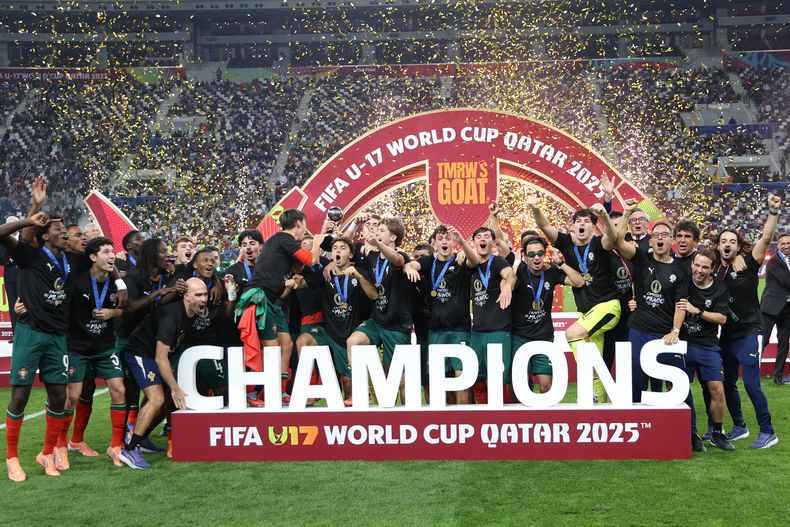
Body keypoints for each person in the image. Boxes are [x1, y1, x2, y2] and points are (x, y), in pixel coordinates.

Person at [1, 212, 77, 480]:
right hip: (31, 332)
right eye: (58, 228)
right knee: (20, 396)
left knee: (58, 396)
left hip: (57, 337)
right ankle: (12, 457)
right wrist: (29, 221)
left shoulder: (69, 261)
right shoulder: (31, 256)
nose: (65, 231)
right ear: (45, 235)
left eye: (65, 227)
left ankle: (47, 453)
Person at [528, 197, 620, 403]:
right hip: (585, 312)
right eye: (578, 221)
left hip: (607, 306)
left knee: (571, 334)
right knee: (594, 360)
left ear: (593, 227)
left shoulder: (599, 243)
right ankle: (599, 405)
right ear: (572, 226)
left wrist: (604, 215)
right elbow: (543, 225)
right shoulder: (566, 243)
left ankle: (595, 378)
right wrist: (535, 207)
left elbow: (611, 238)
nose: (582, 224)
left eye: (587, 221)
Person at [715, 195, 781, 449]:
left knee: (752, 383)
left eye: (732, 240)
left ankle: (768, 431)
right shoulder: (714, 269)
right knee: (727, 383)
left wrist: (773, 212)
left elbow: (765, 239)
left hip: (749, 332)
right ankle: (739, 426)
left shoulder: (749, 263)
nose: (728, 244)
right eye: (724, 241)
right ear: (718, 246)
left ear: (738, 245)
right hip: (726, 336)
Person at [120, 278, 209, 469]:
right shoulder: (172, 317)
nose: (204, 299)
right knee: (157, 398)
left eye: (205, 294)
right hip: (140, 354)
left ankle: (141, 439)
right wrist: (175, 388)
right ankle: (130, 448)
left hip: (153, 355)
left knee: (165, 398)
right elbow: (161, 358)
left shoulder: (191, 314)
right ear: (186, 297)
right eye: (198, 295)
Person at [62, 237, 127, 468]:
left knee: (119, 390)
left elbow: (123, 311)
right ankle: (62, 445)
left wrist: (112, 314)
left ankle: (116, 446)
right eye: (106, 252)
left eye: (113, 252)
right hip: (77, 347)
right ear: (92, 257)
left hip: (104, 346)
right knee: (72, 397)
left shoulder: (115, 284)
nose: (112, 256)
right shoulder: (77, 282)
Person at [237, 209, 314, 405]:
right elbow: (311, 259)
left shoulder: (286, 244)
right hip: (261, 297)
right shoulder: (283, 238)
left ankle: (277, 392)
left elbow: (299, 268)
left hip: (275, 301)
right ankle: (263, 392)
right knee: (271, 348)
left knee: (286, 344)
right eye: (304, 224)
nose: (305, 228)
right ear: (299, 223)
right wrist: (320, 239)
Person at [616, 199, 688, 404]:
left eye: (664, 235)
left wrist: (675, 331)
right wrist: (627, 213)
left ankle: (682, 432)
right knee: (635, 383)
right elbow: (618, 241)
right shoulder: (641, 259)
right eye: (656, 235)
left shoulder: (680, 271)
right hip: (638, 331)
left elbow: (680, 304)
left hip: (664, 335)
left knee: (669, 385)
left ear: (671, 240)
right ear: (650, 240)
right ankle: (636, 426)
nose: (660, 238)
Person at [296, 236, 378, 405]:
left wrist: (359, 277)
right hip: (330, 332)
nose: (338, 251)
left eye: (343, 248)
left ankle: (358, 404)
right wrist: (295, 281)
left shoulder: (359, 270)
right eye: (335, 248)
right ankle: (308, 389)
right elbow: (303, 283)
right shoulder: (326, 273)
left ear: (350, 255)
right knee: (303, 341)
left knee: (350, 391)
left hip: (352, 332)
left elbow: (373, 295)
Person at [404, 225, 479, 403]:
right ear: (435, 243)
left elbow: (474, 262)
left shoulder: (460, 260)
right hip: (436, 330)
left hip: (458, 328)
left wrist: (462, 242)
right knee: (440, 380)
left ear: (453, 242)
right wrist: (409, 267)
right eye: (440, 239)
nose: (444, 241)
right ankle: (449, 421)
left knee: (462, 378)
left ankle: (465, 417)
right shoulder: (429, 262)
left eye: (448, 238)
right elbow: (412, 264)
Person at [346, 217, 415, 404]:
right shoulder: (371, 257)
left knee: (399, 379)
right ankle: (362, 390)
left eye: (382, 230)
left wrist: (376, 243)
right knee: (353, 341)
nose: (377, 232)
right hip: (377, 320)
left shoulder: (402, 256)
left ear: (393, 237)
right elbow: (345, 254)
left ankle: (410, 415)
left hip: (397, 324)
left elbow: (398, 259)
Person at [676, 249, 735, 452]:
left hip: (708, 345)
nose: (699, 270)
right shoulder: (684, 281)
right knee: (681, 390)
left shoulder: (719, 288)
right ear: (692, 264)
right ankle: (690, 434)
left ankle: (717, 433)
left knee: (717, 389)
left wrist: (697, 311)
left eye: (704, 267)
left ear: (712, 269)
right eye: (697, 265)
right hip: (683, 344)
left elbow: (722, 318)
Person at [512, 237, 584, 393]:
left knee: (546, 385)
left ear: (544, 254)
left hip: (543, 337)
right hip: (519, 336)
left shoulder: (550, 272)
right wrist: (517, 262)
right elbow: (507, 287)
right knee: (519, 385)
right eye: (531, 254)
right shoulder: (518, 271)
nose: (536, 257)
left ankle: (543, 417)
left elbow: (579, 282)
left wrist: (559, 262)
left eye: (540, 253)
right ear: (525, 256)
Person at [468, 226, 515, 403]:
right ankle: (481, 418)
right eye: (478, 236)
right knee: (477, 380)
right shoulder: (470, 265)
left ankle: (503, 421)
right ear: (473, 243)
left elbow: (510, 274)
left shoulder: (498, 262)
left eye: (487, 236)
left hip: (498, 331)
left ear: (492, 243)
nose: (483, 239)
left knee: (499, 381)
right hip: (477, 332)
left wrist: (507, 288)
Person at [761, 233, 790, 385]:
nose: (786, 246)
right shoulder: (773, 261)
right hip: (771, 307)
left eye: (788, 243)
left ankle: (778, 378)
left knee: (783, 343)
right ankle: (752, 372)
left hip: (787, 308)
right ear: (778, 245)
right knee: (762, 341)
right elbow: (786, 282)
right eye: (783, 244)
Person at [0, 216, 21, 335]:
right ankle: (15, 334)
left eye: (15, 224)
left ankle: (27, 333)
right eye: (10, 224)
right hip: (10, 277)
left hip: (25, 276)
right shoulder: (2, 240)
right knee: (13, 306)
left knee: (26, 304)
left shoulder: (25, 238)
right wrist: (9, 261)